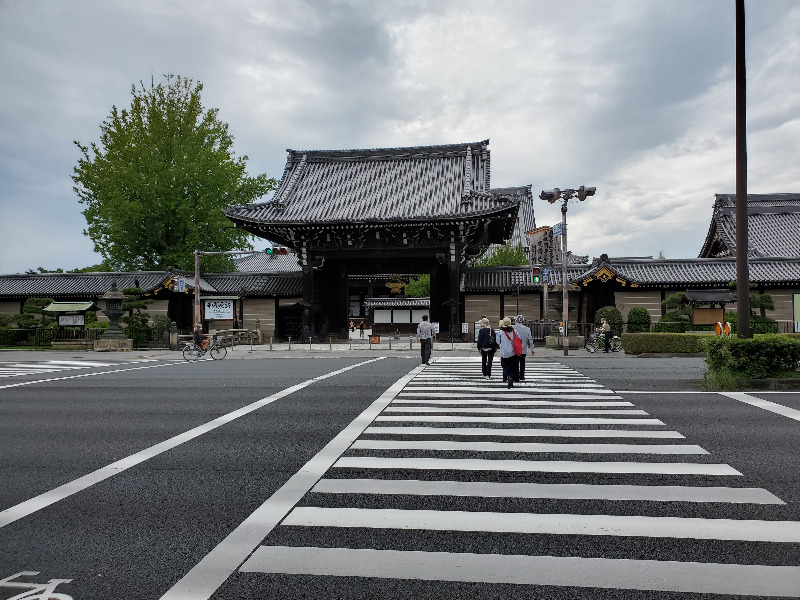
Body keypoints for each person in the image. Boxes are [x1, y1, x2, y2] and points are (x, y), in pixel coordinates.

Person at [495, 317, 521, 388]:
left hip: (504, 353)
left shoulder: (500, 332)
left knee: (505, 366)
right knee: (512, 366)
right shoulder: (514, 331)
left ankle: (508, 376)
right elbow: (519, 338)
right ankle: (511, 377)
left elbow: (497, 342)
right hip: (513, 352)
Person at [513, 315, 535, 380]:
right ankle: (522, 375)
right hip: (523, 348)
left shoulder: (513, 328)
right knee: (522, 362)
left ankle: (516, 375)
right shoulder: (527, 329)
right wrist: (532, 348)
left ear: (516, 321)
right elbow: (530, 339)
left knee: (515, 363)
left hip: (515, 348)